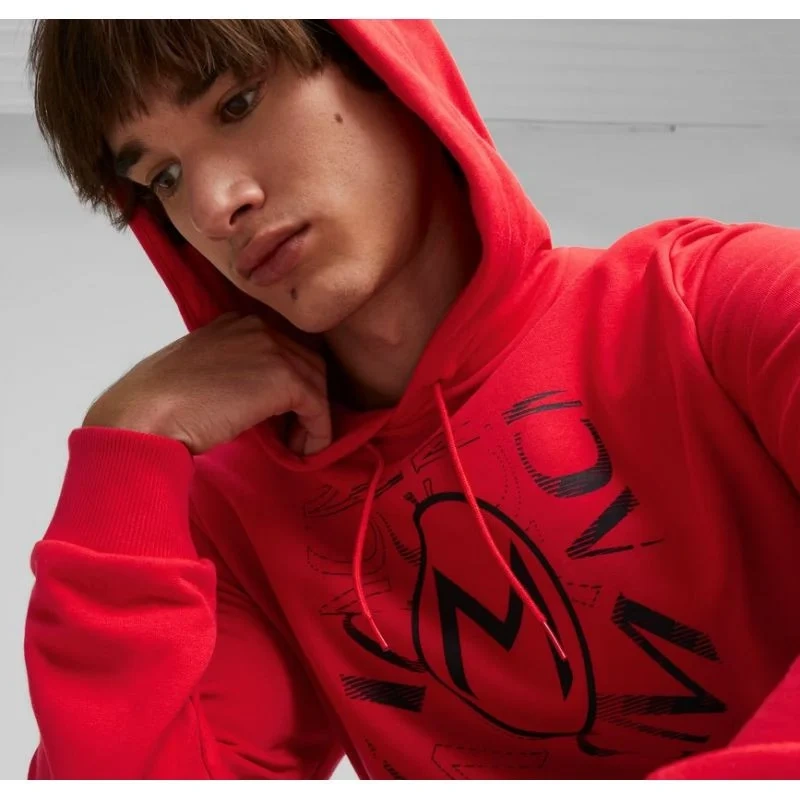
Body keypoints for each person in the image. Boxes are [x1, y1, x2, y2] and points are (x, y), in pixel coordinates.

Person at [23, 19, 800, 780]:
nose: (213, 208)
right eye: (162, 177)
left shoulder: (715, 305)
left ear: (385, 68)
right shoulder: (238, 509)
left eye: (237, 104)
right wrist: (124, 446)